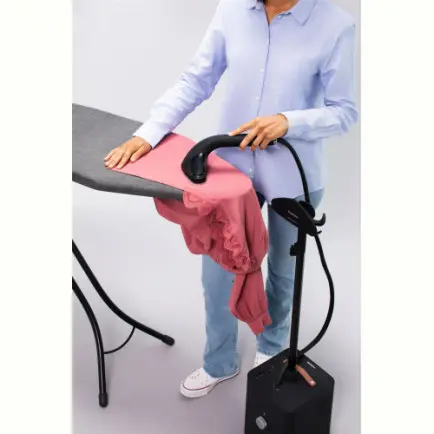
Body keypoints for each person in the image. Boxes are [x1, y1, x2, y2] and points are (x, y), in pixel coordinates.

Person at [104, 0, 358, 399]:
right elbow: (196, 79)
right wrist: (148, 132)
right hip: (231, 172)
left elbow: (344, 112)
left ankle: (271, 350)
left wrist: (289, 122)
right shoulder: (233, 10)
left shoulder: (335, 26)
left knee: (283, 273)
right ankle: (219, 361)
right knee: (218, 271)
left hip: (293, 175)